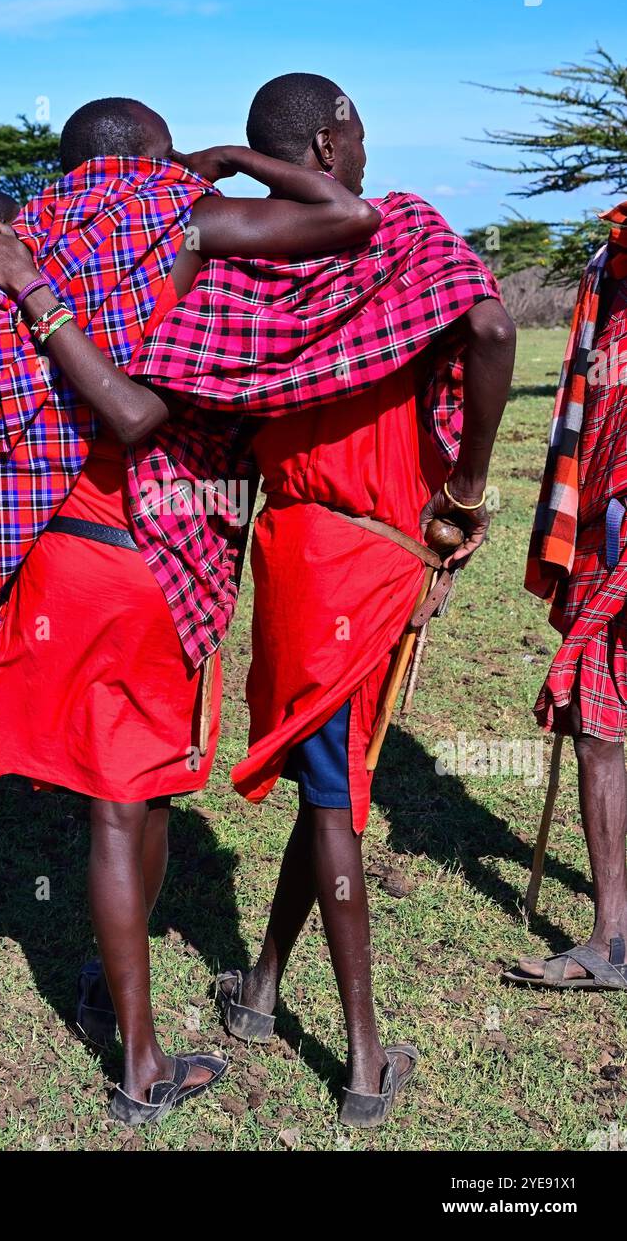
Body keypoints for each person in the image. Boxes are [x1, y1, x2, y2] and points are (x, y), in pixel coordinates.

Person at [0, 95, 380, 1124]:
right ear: (149, 157)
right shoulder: (167, 220)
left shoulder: (17, 238)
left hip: (51, 558)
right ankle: (140, 1068)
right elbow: (347, 217)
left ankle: (119, 979)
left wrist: (23, 275)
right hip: (144, 560)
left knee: (125, 799)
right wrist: (228, 159)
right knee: (120, 807)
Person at [127, 72, 515, 1126]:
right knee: (335, 788)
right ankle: (362, 1057)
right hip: (377, 554)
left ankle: (258, 988)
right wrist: (466, 490)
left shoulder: (242, 273)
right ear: (337, 134)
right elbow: (486, 329)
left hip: (291, 553)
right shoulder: (401, 238)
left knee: (325, 772)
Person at [508, 202, 627, 992]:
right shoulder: (605, 265)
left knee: (599, 715)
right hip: (606, 523)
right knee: (598, 717)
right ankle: (613, 938)